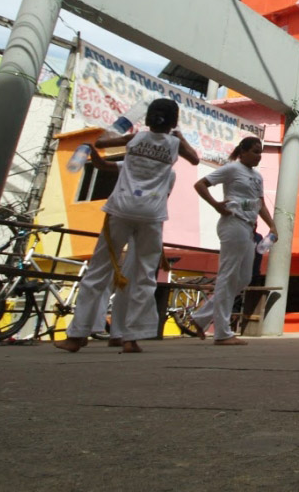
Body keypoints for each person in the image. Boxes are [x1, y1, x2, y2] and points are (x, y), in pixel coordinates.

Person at [55, 98, 199, 354]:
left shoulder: (134, 140)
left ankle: (77, 335)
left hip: (120, 210)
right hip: (152, 216)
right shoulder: (175, 144)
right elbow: (195, 159)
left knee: (98, 271)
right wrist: (179, 136)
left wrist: (98, 143)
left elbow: (101, 147)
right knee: (144, 276)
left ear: (148, 118)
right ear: (174, 122)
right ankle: (131, 338)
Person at [192, 136, 277, 346]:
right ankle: (222, 332)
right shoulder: (231, 169)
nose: (259, 156)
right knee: (227, 276)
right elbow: (201, 184)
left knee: (244, 277)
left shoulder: (257, 177)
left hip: (249, 228)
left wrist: (272, 225)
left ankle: (202, 317)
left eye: (261, 152)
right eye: (256, 152)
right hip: (233, 223)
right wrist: (216, 205)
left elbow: (259, 203)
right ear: (244, 152)